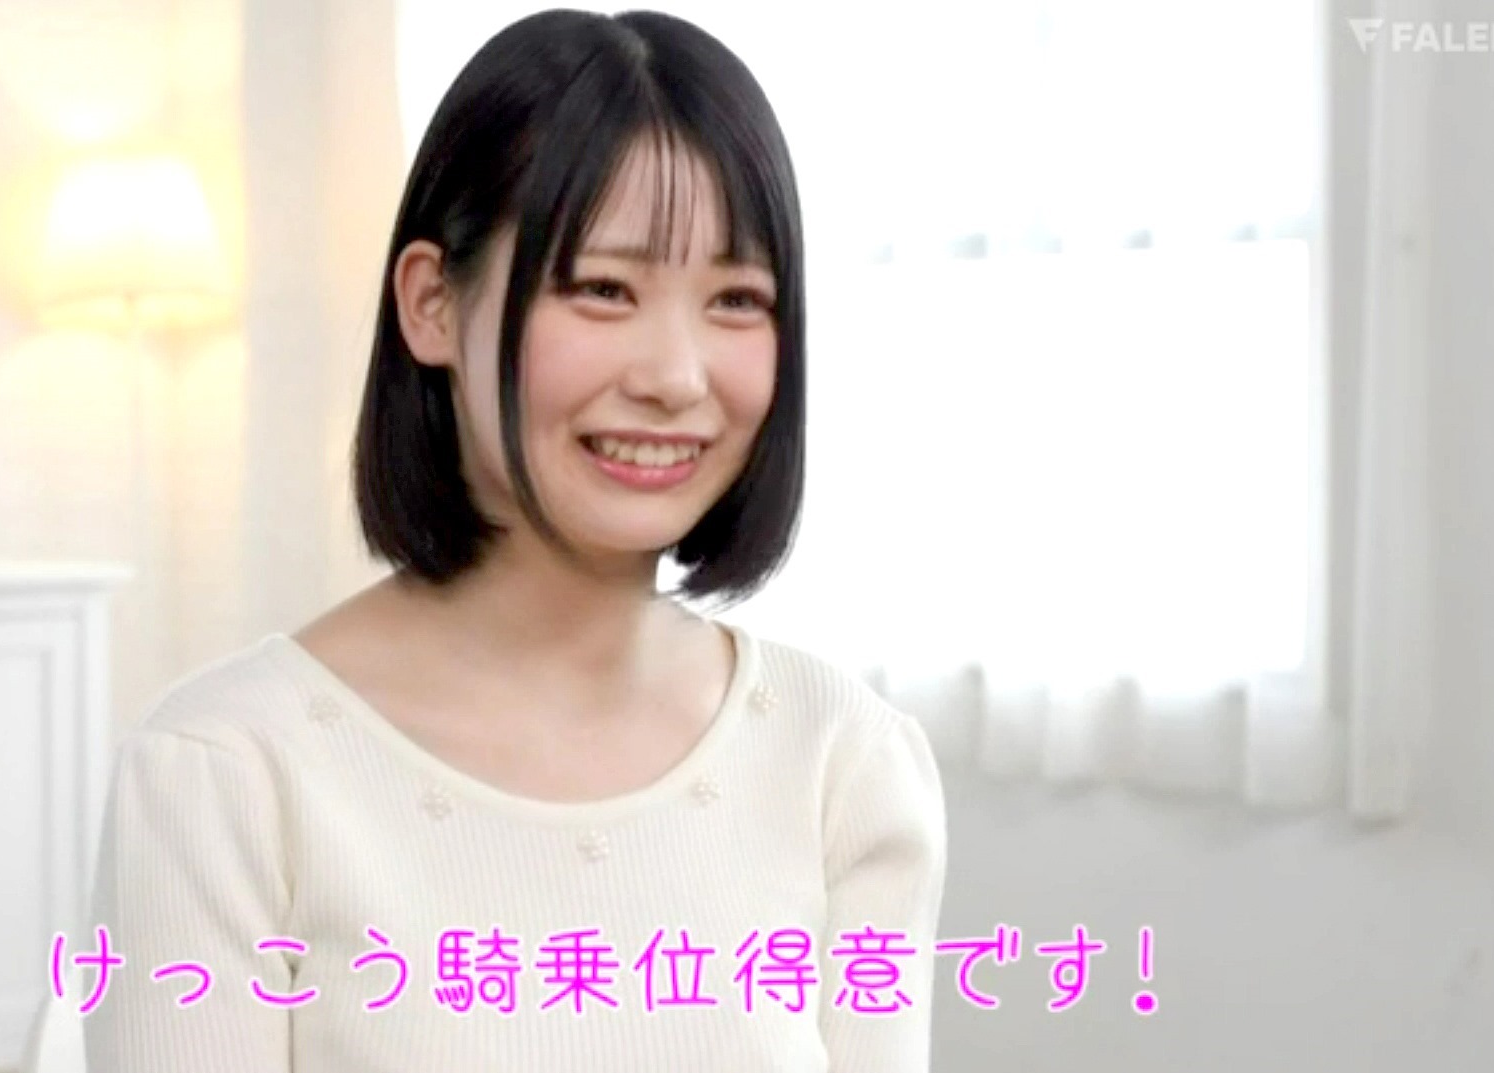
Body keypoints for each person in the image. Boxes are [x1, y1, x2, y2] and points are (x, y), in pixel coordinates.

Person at [84, 9, 946, 1071]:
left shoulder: (842, 762)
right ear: (432, 304)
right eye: (603, 288)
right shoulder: (225, 773)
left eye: (736, 299)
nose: (676, 376)